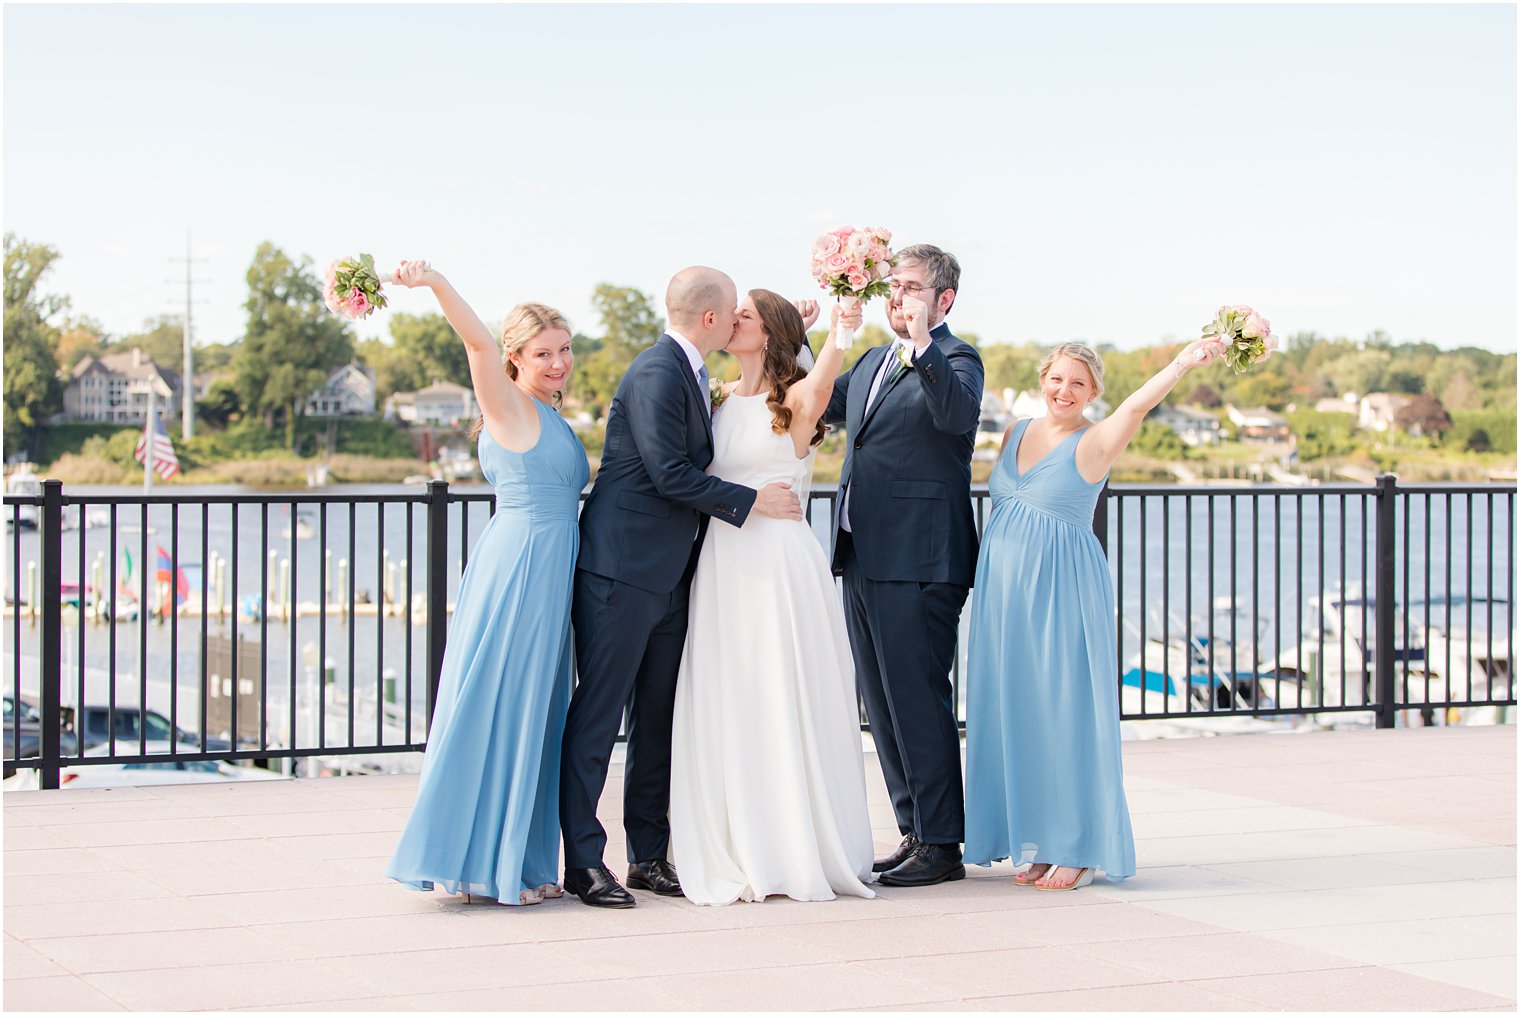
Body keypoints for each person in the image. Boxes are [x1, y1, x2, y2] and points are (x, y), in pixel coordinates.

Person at [559, 267, 804, 908]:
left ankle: (647, 855)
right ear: (709, 320)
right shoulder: (657, 372)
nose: (737, 322)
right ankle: (584, 861)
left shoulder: (697, 376)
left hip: (671, 576)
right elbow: (668, 473)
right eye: (733, 313)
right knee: (598, 717)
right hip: (621, 570)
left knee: (655, 720)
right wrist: (751, 501)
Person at [963, 338, 1226, 890]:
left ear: (1093, 392)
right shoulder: (1014, 432)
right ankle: (1036, 838)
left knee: (1065, 711)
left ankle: (1078, 847)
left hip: (1061, 590)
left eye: (1078, 384)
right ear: (1043, 379)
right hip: (1003, 596)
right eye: (1057, 379)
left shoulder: (1097, 439)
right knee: (1018, 711)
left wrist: (1181, 363)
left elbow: (1137, 407)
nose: (1065, 391)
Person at [384, 260, 589, 906]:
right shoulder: (507, 405)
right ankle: (486, 863)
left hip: (552, 570)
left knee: (539, 713)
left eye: (564, 350)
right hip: (522, 567)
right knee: (505, 705)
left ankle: (525, 862)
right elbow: (475, 342)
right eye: (543, 352)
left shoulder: (551, 415)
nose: (558, 362)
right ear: (516, 356)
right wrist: (436, 282)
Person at [669, 291, 876, 905]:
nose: (732, 322)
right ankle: (734, 837)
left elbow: (830, 365)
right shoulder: (715, 397)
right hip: (723, 560)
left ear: (770, 332)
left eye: (746, 317)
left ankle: (789, 845)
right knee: (729, 694)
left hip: (778, 566)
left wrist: (840, 325)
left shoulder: (798, 397)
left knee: (780, 694)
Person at [822, 244, 984, 887]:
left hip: (920, 556)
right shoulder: (870, 361)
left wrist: (924, 346)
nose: (898, 298)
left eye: (912, 288)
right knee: (883, 703)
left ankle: (943, 845)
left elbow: (958, 416)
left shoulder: (957, 360)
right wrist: (802, 332)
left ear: (943, 300)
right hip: (862, 552)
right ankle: (914, 830)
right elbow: (813, 403)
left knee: (917, 698)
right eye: (893, 288)